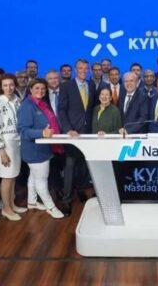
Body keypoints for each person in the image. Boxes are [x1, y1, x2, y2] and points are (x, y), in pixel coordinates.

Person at [17, 78, 65, 219]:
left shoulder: (41, 103)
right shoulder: (27, 106)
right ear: (30, 89)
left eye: (43, 88)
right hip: (34, 149)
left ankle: (32, 202)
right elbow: (23, 131)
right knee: (41, 180)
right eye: (37, 88)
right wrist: (42, 133)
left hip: (44, 147)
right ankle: (51, 207)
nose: (40, 91)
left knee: (34, 176)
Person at [58, 59, 95, 216]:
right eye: (80, 68)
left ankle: (80, 189)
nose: (83, 71)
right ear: (75, 69)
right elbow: (61, 110)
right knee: (70, 165)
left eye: (86, 68)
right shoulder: (66, 86)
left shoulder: (91, 85)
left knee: (83, 165)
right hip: (73, 133)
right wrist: (68, 129)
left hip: (88, 132)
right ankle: (66, 200)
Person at [0, 74, 27, 222]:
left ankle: (12, 204)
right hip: (6, 145)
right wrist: (1, 151)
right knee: (7, 178)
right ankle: (6, 209)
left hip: (17, 142)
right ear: (1, 87)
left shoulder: (17, 100)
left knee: (13, 176)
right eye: (5, 85)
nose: (9, 88)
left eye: (11, 85)